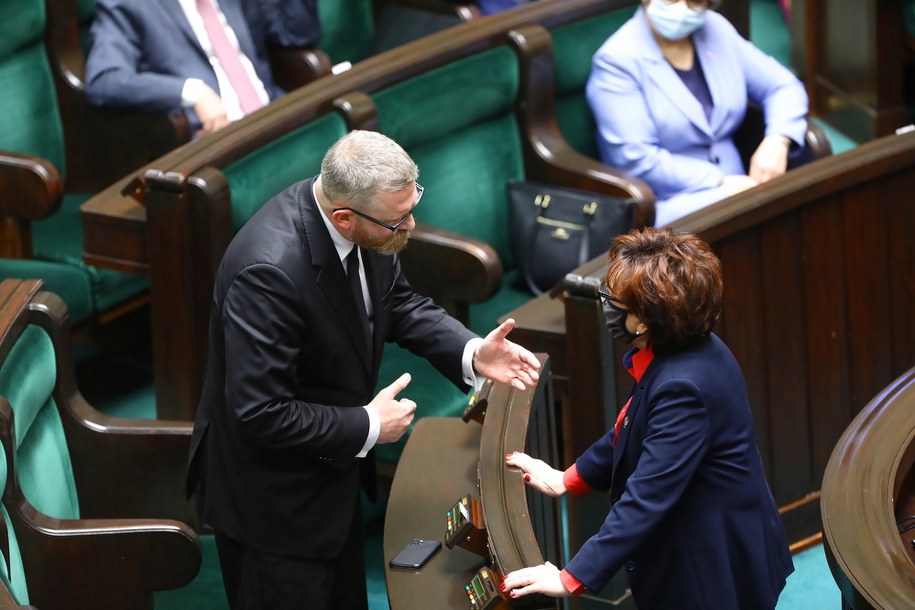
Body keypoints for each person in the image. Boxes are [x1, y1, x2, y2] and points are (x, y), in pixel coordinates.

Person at [186, 129, 542, 610]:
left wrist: (472, 351)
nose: (411, 225)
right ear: (345, 218)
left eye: (413, 207)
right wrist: (370, 425)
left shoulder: (366, 226)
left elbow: (395, 302)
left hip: (331, 476)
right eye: (399, 221)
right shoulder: (268, 272)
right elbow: (260, 412)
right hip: (273, 504)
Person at [501, 227, 793, 609]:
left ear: (645, 320)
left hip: (709, 562)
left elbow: (648, 495)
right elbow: (632, 427)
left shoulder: (683, 385)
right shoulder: (685, 349)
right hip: (718, 533)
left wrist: (570, 576)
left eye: (613, 300)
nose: (604, 303)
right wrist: (568, 478)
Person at [585, 0, 809, 226]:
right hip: (665, 203)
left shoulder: (715, 28)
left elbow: (783, 86)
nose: (683, 8)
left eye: (695, 0)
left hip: (744, 184)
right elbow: (635, 158)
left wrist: (777, 140)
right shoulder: (616, 61)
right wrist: (719, 182)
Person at [85, 0, 321, 137]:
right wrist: (191, 92)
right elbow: (104, 81)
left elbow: (295, 36)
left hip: (277, 118)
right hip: (216, 143)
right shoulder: (128, 4)